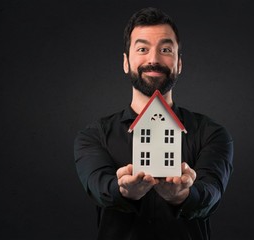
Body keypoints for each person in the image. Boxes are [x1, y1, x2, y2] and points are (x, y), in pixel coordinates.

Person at [74, 7, 234, 240]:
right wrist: (123, 191)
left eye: (166, 49)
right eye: (142, 49)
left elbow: (211, 193)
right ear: (126, 62)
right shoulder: (93, 136)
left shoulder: (212, 134)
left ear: (179, 63)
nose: (154, 59)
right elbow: (99, 188)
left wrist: (182, 195)